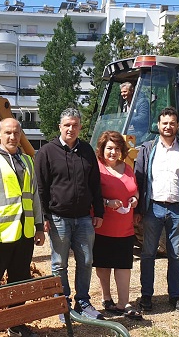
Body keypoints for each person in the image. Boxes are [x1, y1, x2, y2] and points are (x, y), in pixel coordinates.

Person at [0, 118, 45, 337]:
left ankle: (16, 324)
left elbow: (34, 196)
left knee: (19, 280)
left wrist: (39, 227)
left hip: (24, 233)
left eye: (16, 133)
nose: (12, 137)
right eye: (8, 133)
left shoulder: (27, 161)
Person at [35, 108, 105, 320]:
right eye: (67, 125)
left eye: (75, 125)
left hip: (83, 217)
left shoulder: (87, 151)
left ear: (80, 127)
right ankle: (62, 303)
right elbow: (41, 188)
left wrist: (98, 211)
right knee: (59, 263)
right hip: (58, 218)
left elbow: (95, 184)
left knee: (86, 261)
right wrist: (45, 217)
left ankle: (82, 301)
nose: (71, 129)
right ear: (60, 127)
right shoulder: (47, 152)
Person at [134, 106, 179, 314]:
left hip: (177, 210)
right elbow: (139, 179)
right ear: (158, 126)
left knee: (176, 255)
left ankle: (174, 296)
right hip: (152, 208)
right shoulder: (147, 149)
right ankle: (146, 296)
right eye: (165, 123)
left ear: (178, 126)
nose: (168, 126)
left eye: (172, 123)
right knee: (148, 254)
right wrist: (137, 209)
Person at [93, 131, 143, 320]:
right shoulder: (96, 169)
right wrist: (107, 202)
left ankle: (123, 302)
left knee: (123, 265)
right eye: (109, 148)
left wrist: (134, 199)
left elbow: (135, 190)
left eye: (116, 148)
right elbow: (92, 196)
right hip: (103, 226)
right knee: (103, 264)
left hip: (125, 228)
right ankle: (107, 298)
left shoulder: (127, 168)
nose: (113, 152)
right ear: (102, 149)